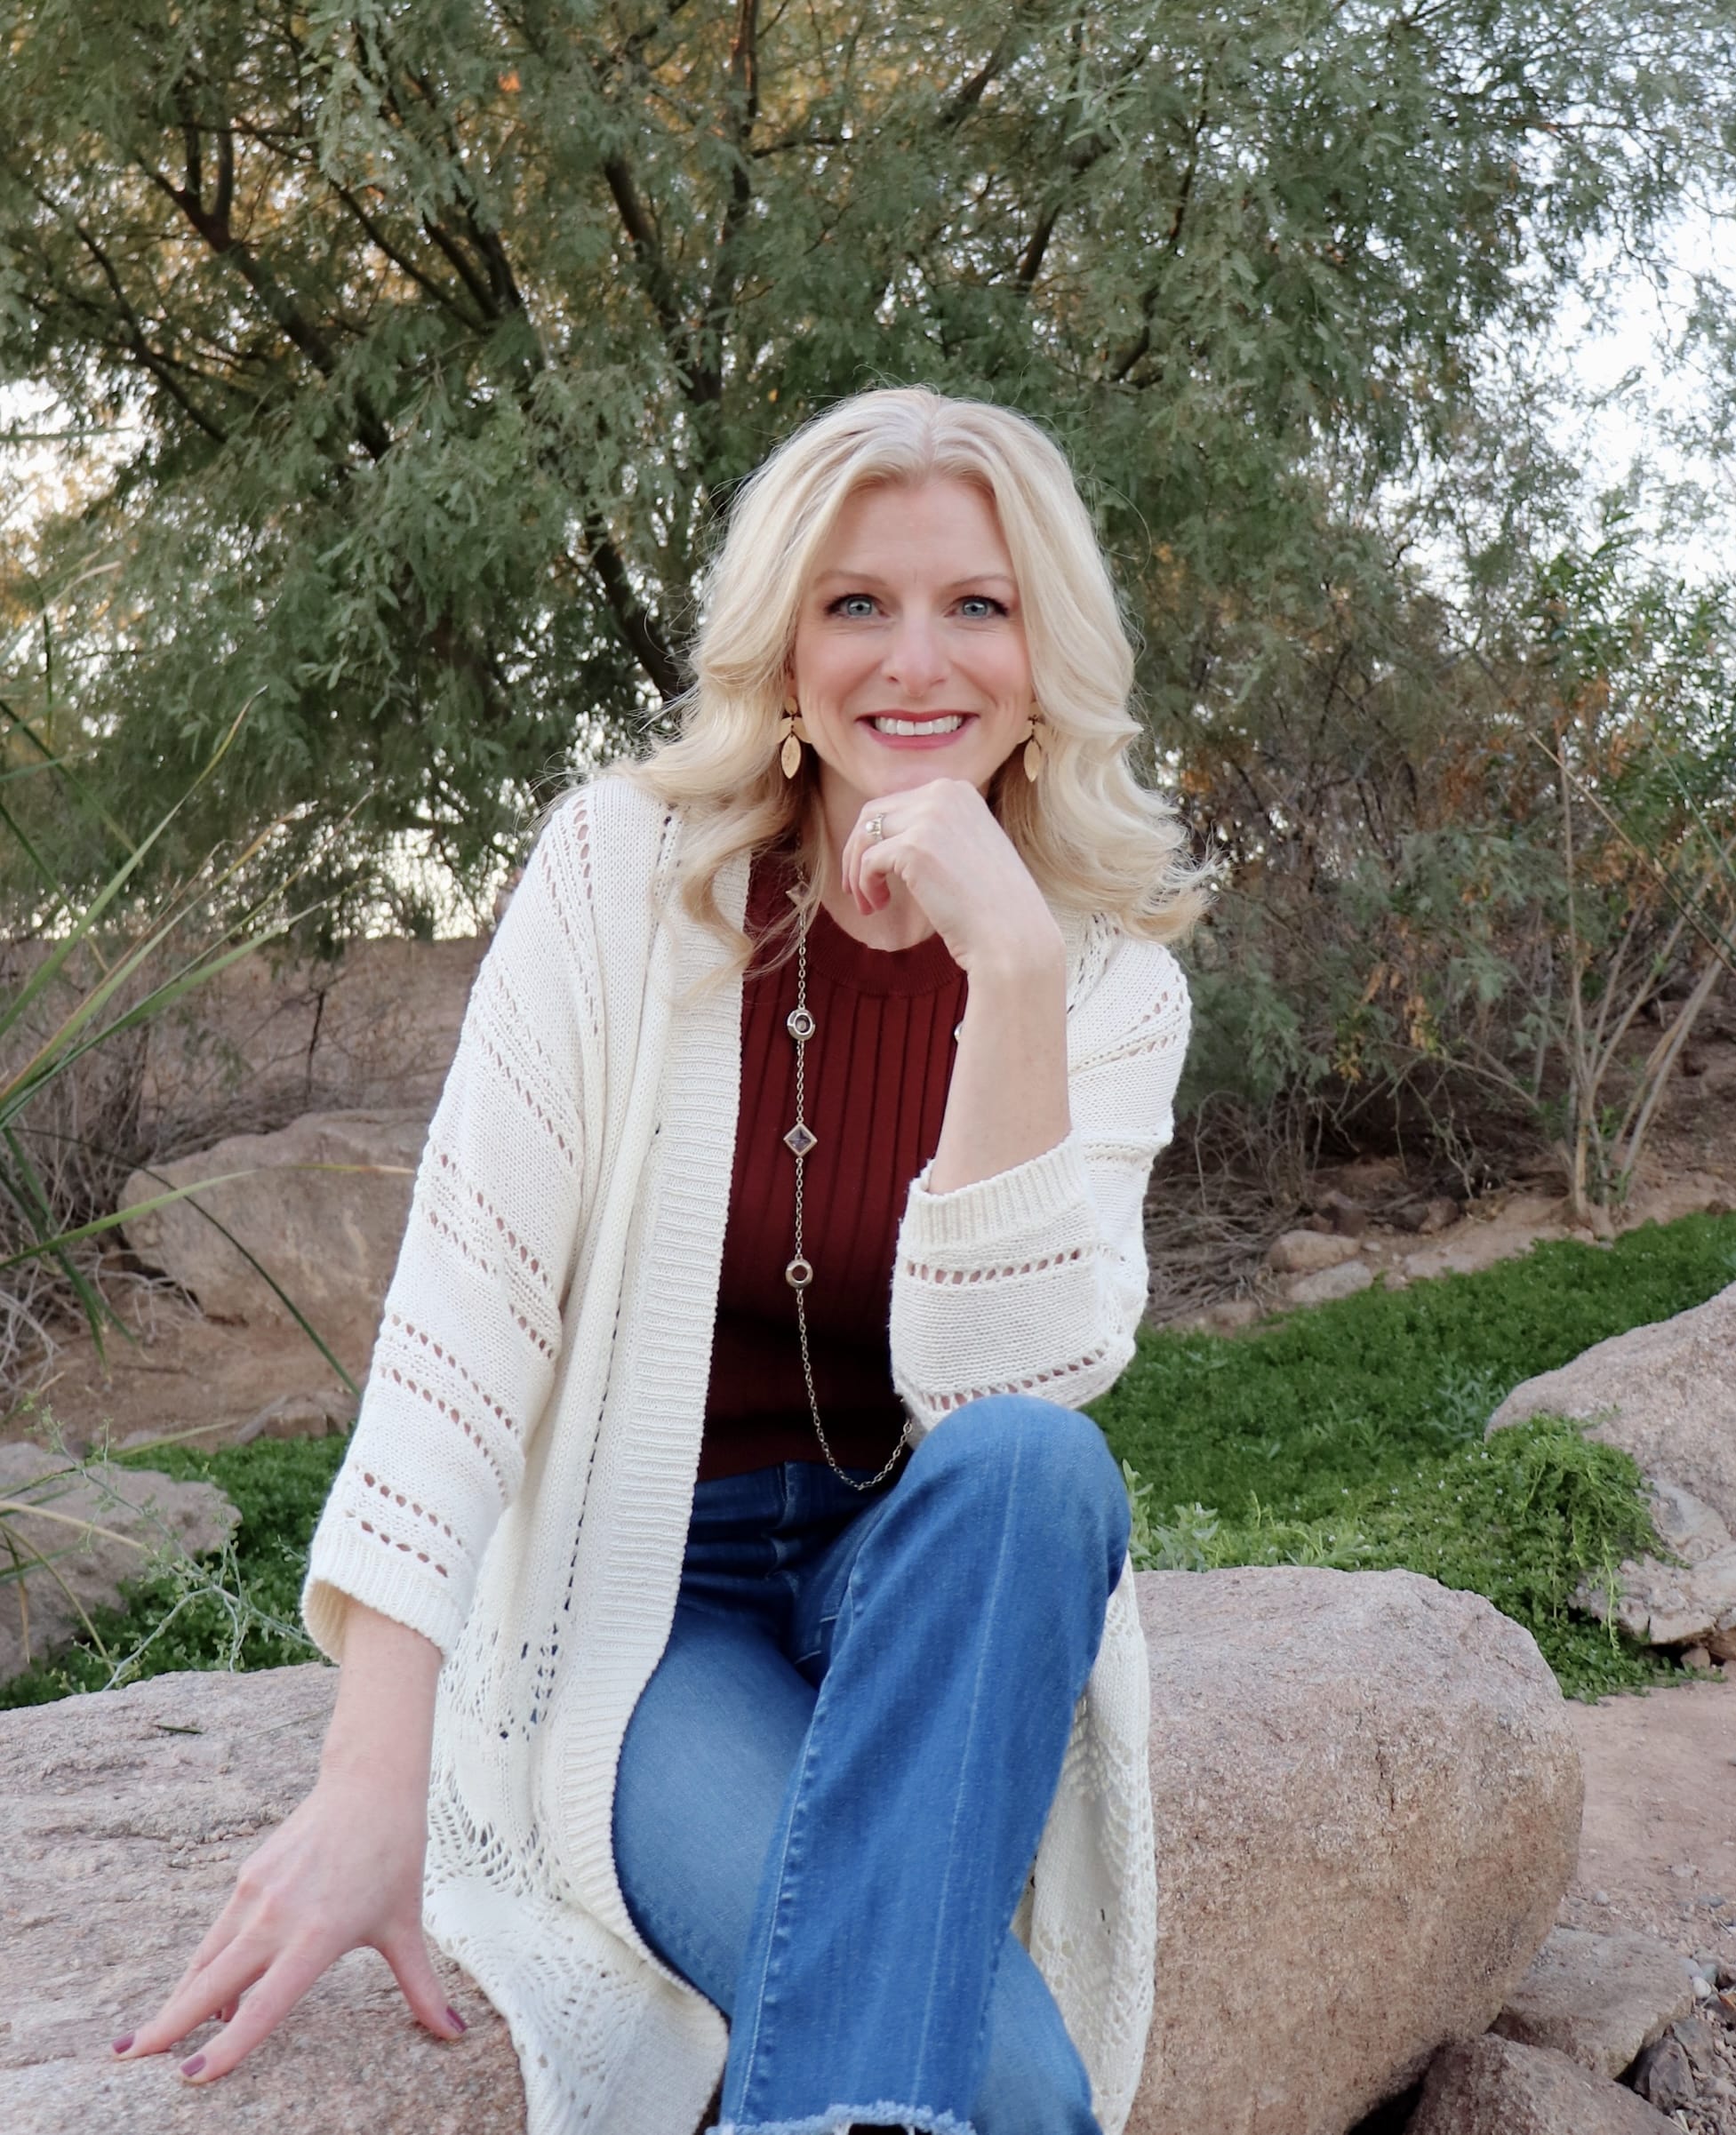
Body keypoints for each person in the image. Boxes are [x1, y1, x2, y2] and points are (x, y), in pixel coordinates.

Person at [111, 387, 1204, 2135]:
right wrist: (368, 1781)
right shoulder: (621, 877)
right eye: (854, 602)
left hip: (918, 1596)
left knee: (1033, 1464)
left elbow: (996, 1389)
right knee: (1005, 2084)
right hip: (647, 1616)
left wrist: (1001, 967)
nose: (911, 659)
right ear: (780, 647)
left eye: (972, 605)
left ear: (1042, 650)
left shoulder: (1102, 987)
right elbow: (460, 1335)